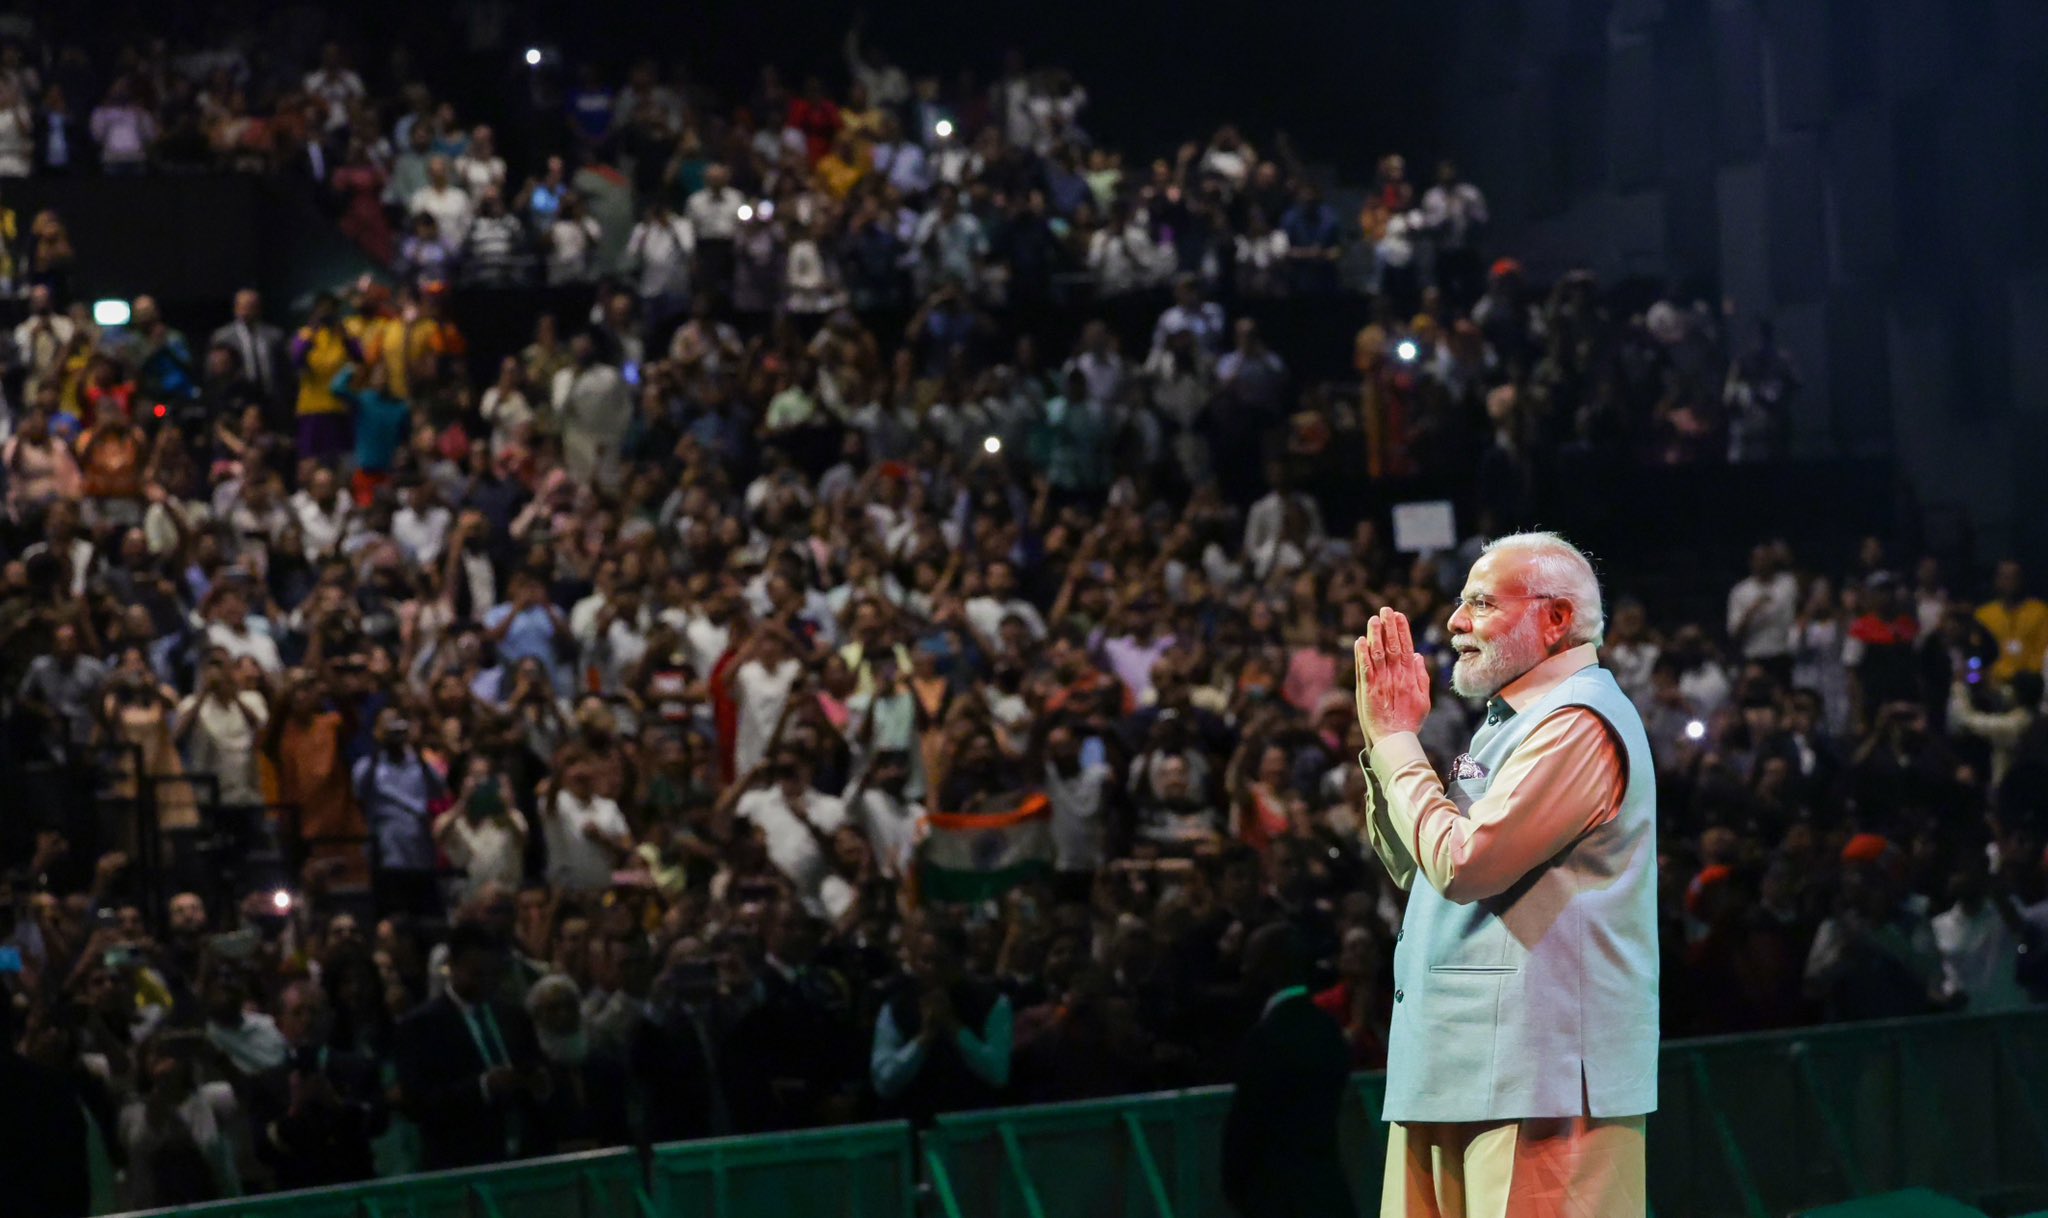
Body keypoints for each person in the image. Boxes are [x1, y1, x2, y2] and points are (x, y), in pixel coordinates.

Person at [1357, 531, 1655, 1216]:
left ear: (1555, 620)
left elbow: (1464, 865)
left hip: (1540, 1086)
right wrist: (1381, 741)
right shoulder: (1504, 725)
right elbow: (1418, 868)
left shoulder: (1580, 717)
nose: (1456, 622)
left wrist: (1400, 740)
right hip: (1455, 1071)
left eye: (1482, 604)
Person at [394, 923, 554, 1170]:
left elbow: (534, 1066)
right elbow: (417, 1104)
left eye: (493, 974)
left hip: (521, 1156)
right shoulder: (421, 1026)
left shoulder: (513, 1016)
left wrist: (537, 1082)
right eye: (477, 974)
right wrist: (482, 1087)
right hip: (460, 1162)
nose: (486, 983)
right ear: (453, 966)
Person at [1220, 923, 1354, 1218]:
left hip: (1277, 1202)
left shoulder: (1265, 1038)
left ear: (1269, 968)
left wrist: (1236, 1187)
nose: (1244, 970)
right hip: (1329, 1195)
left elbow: (1247, 1126)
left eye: (1251, 960)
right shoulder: (1328, 1029)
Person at [870, 920, 1011, 1126]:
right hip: (914, 1130)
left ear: (961, 961)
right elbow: (884, 1082)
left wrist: (955, 1028)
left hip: (974, 1128)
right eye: (925, 961)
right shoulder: (895, 1007)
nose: (932, 970)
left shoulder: (992, 1003)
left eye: (942, 962)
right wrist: (923, 1040)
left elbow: (997, 1073)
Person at [1976, 560, 2048, 686]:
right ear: (1996, 580)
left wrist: (2024, 676)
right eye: (2004, 577)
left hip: (2030, 684)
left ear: (2022, 579)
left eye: (2014, 577)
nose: (2009, 582)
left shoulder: (2040, 613)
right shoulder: (1983, 615)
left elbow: (2043, 651)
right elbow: (1977, 653)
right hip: (1992, 685)